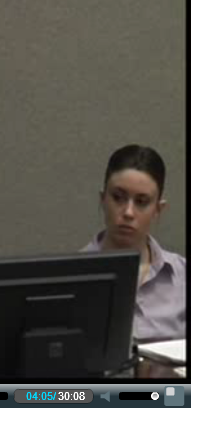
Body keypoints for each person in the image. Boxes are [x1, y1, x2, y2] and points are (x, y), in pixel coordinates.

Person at [82, 144, 186, 343]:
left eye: (141, 201)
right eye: (118, 198)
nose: (128, 212)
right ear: (103, 200)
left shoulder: (184, 277)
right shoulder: (71, 276)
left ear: (158, 210)